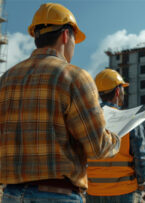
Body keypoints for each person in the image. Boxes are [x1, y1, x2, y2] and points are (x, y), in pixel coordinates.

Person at [0, 3, 120, 203]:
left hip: (11, 194)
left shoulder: (5, 80)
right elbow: (97, 147)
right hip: (58, 195)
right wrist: (115, 138)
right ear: (66, 35)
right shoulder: (74, 77)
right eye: (75, 39)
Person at [86, 69, 145, 203]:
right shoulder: (130, 120)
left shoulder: (85, 122)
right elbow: (140, 157)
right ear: (117, 91)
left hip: (93, 191)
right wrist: (142, 181)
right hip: (124, 191)